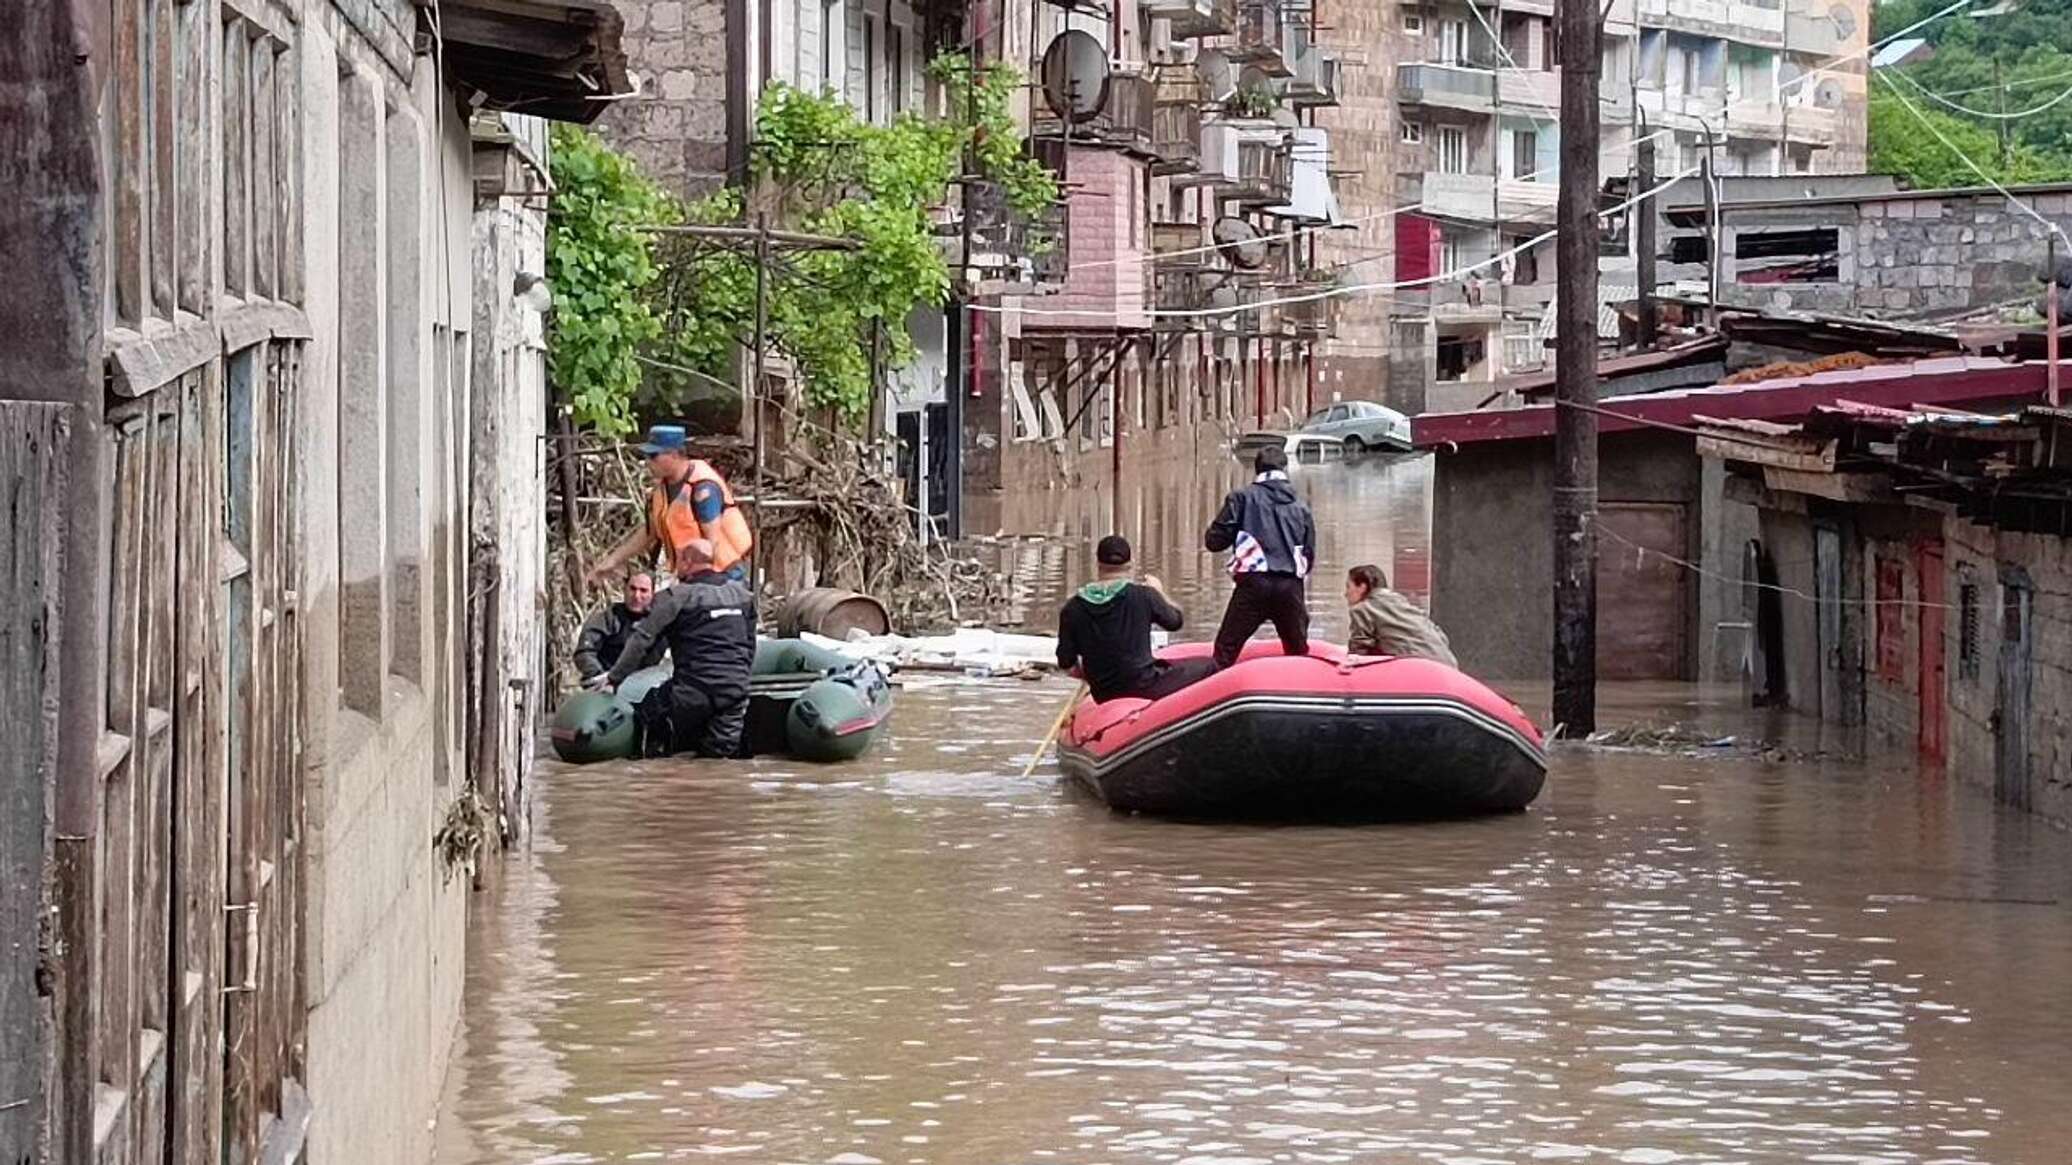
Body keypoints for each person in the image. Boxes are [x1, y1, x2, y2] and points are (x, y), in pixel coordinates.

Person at [596, 540, 758, 758]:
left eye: (678, 560)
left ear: (687, 561)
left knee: (644, 715)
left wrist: (614, 679)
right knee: (719, 759)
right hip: (735, 693)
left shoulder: (676, 597)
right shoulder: (742, 596)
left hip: (691, 692)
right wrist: (740, 679)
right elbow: (750, 644)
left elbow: (641, 640)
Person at [586, 424, 754, 587]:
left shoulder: (703, 489)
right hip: (693, 577)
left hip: (724, 578)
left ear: (674, 455)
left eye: (654, 456)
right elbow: (649, 534)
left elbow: (712, 544)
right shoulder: (661, 491)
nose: (648, 462)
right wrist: (612, 562)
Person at [1056, 535, 1217, 703]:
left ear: (1097, 564)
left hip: (1103, 693)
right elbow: (1176, 621)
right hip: (1144, 685)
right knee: (1211, 666)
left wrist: (1094, 678)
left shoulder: (1072, 608)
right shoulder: (1144, 596)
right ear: (1130, 564)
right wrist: (1159, 592)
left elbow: (1067, 664)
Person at [1204, 444, 1318, 669]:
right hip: (1290, 587)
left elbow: (1214, 542)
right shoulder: (1301, 506)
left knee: (1225, 652)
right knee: (1298, 652)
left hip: (1253, 585)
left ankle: (1211, 696)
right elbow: (1309, 554)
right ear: (1285, 470)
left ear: (1256, 470)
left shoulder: (1241, 499)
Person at [1344, 564, 1458, 667]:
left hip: (1419, 666)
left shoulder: (1363, 609)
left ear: (1362, 587)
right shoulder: (1402, 603)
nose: (1345, 593)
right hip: (1447, 662)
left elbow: (1359, 650)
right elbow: (1440, 635)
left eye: (1348, 587)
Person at [572, 572, 666, 682]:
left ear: (652, 594)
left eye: (643, 591)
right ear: (624, 589)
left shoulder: (662, 623)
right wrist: (600, 676)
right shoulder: (607, 618)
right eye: (632, 589)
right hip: (606, 687)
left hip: (645, 687)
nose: (636, 596)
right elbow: (584, 652)